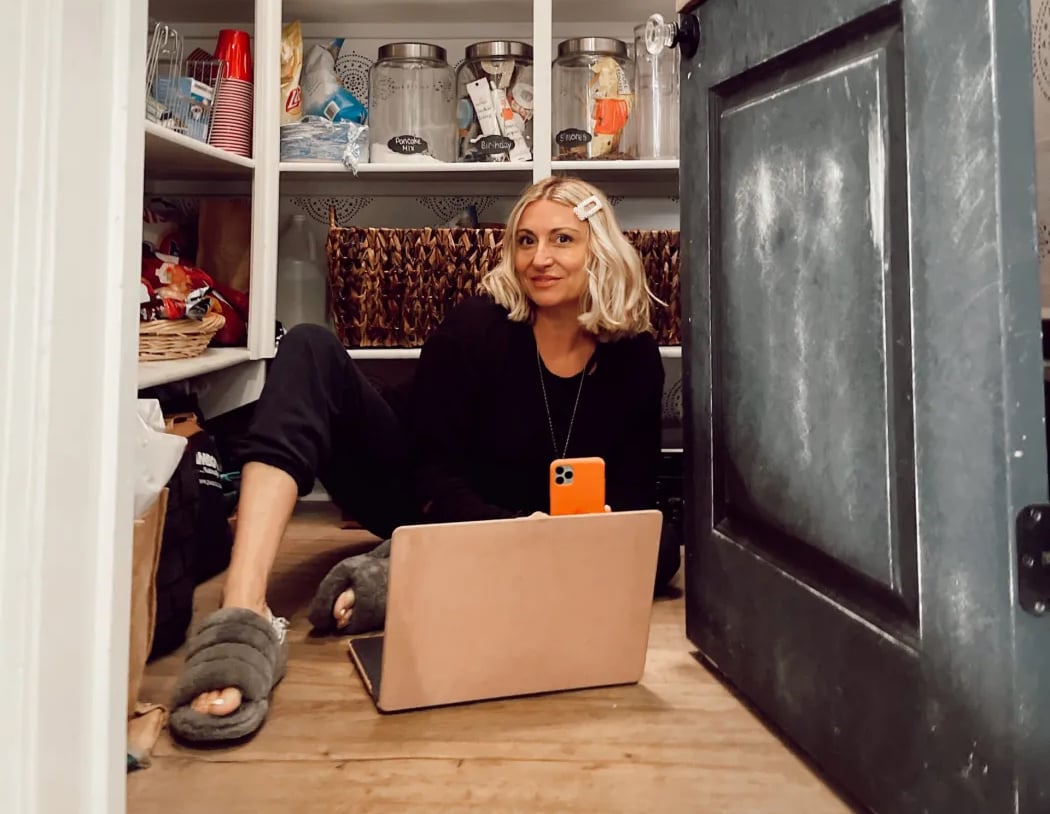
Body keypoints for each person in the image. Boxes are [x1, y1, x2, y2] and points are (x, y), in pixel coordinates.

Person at [167, 176, 681, 744]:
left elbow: (640, 509)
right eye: (526, 241)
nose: (541, 259)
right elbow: (429, 473)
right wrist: (513, 533)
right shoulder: (477, 327)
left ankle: (401, 571)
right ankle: (243, 610)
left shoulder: (633, 358)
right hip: (415, 491)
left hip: (519, 537)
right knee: (310, 344)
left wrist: (583, 538)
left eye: (563, 239)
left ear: (598, 250)